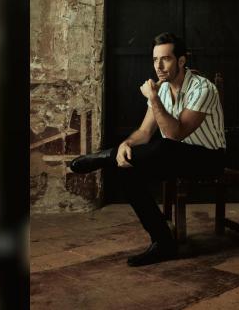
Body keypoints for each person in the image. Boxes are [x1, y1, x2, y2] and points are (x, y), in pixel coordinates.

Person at [68, 32, 226, 266]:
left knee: (165, 145)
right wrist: (126, 145)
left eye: (166, 59)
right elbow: (144, 132)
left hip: (208, 160)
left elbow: (175, 134)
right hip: (172, 157)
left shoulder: (203, 88)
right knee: (125, 167)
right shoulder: (161, 89)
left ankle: (104, 157)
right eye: (155, 60)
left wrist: (153, 98)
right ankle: (163, 242)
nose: (158, 66)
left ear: (181, 61)